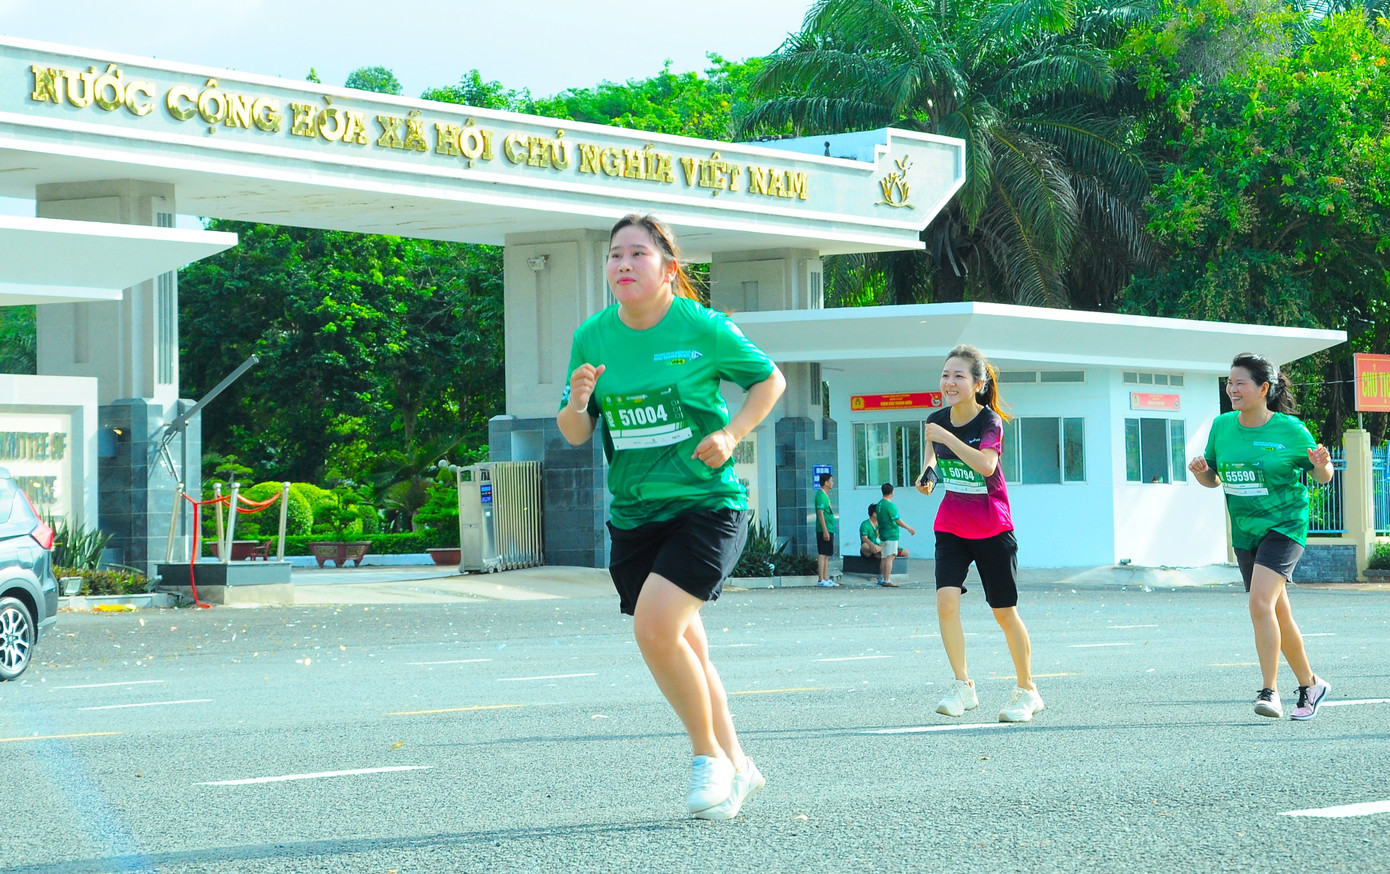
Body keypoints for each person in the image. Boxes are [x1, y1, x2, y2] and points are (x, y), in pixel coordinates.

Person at [558, 213, 786, 818]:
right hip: (635, 515)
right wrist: (578, 401)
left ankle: (708, 758)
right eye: (614, 256)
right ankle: (740, 763)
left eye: (637, 254)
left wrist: (734, 434)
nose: (623, 265)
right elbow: (576, 432)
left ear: (668, 267)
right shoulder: (593, 336)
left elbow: (770, 381)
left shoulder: (703, 327)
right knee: (688, 647)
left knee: (655, 629)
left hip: (707, 505)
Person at [1188, 353, 1334, 720]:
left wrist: (1321, 465)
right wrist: (1201, 472)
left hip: (1284, 526)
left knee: (1259, 605)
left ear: (1263, 389)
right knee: (1278, 612)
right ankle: (1311, 684)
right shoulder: (1222, 427)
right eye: (1229, 382)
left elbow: (1323, 476)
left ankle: (1270, 691)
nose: (1232, 389)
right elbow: (1214, 479)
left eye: (1240, 383)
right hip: (1246, 530)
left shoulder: (1290, 430)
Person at [916, 344, 1042, 723]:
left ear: (977, 383)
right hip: (952, 524)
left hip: (992, 527)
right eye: (945, 375)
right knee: (946, 603)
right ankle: (962, 686)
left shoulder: (990, 423)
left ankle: (1027, 690)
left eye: (958, 376)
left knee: (1004, 612)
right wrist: (927, 477)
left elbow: (987, 466)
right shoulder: (936, 420)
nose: (949, 382)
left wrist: (946, 438)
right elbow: (933, 461)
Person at [876, 483, 915, 586]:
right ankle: (887, 580)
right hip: (891, 534)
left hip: (883, 533)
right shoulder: (890, 505)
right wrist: (908, 528)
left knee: (884, 557)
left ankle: (883, 578)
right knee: (890, 557)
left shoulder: (879, 504)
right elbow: (897, 520)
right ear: (892, 492)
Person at [815, 472, 838, 587]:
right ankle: (821, 579)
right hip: (824, 529)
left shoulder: (826, 495)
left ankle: (826, 577)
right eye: (831, 481)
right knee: (822, 553)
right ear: (825, 483)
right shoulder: (820, 495)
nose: (832, 483)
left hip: (829, 528)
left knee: (827, 554)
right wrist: (824, 530)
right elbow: (820, 514)